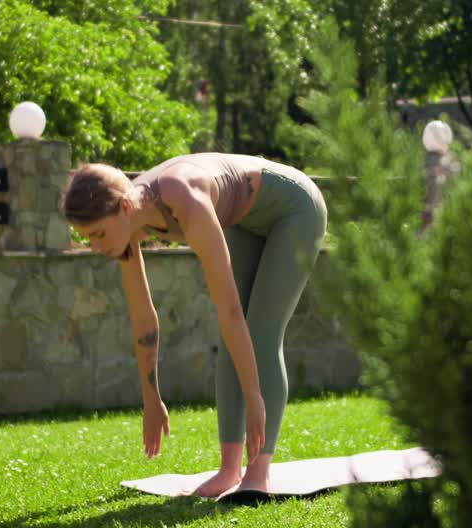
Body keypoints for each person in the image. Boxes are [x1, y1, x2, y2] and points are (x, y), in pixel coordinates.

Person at [61, 152, 327, 497]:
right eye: (88, 238)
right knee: (232, 340)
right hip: (245, 218)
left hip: (294, 208)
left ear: (124, 207)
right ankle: (229, 470)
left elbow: (230, 309)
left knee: (260, 333)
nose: (95, 247)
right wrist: (151, 399)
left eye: (98, 234)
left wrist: (254, 396)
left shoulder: (186, 199)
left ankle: (257, 473)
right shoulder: (128, 224)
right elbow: (143, 316)